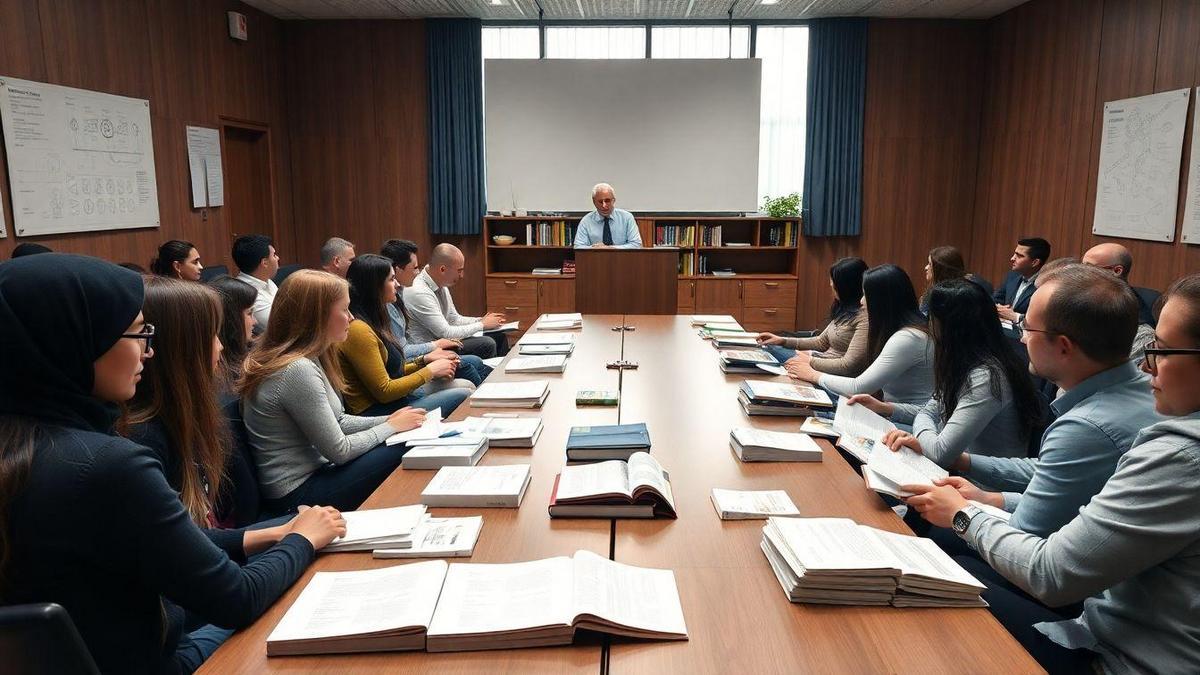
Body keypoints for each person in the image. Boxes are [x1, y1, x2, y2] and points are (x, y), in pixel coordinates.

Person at [0, 254, 344, 674]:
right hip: (163, 661)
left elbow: (152, 541)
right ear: (74, 341)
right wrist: (302, 540)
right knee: (297, 597)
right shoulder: (109, 464)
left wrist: (262, 537)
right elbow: (235, 599)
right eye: (137, 333)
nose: (148, 351)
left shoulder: (29, 450)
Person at [901, 273, 1200, 675]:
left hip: (1121, 655)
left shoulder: (1175, 453)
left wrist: (961, 514)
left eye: (1162, 350)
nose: (1148, 366)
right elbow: (1080, 495)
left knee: (943, 576)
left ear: (1063, 346)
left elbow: (1049, 572)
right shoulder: (1147, 406)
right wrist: (986, 493)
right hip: (1121, 615)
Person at [922, 264, 1162, 541]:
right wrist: (981, 483)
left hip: (1054, 566)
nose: (1021, 338)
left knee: (932, 535)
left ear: (1063, 346)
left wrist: (959, 514)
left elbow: (1025, 537)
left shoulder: (1086, 426)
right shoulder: (1136, 386)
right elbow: (1051, 469)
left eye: (1027, 328)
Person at [239, 269, 426, 515]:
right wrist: (391, 427)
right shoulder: (296, 369)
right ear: (317, 316)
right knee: (407, 444)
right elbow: (340, 450)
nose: (351, 318)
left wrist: (390, 420)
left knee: (410, 433)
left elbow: (337, 421)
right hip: (297, 494)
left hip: (318, 473)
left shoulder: (310, 356)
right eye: (344, 310)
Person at [852, 279, 1042, 468]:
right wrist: (885, 408)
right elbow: (930, 411)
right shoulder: (967, 363)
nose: (928, 326)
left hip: (976, 487)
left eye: (931, 319)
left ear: (947, 327)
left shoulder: (987, 376)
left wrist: (920, 433)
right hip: (953, 471)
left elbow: (939, 452)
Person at [339, 254, 473, 416]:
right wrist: (429, 371)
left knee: (466, 384)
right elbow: (384, 390)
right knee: (466, 393)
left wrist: (422, 361)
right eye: (391, 279)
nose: (397, 284)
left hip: (396, 400)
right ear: (374, 287)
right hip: (379, 411)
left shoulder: (375, 319)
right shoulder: (359, 330)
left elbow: (391, 371)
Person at [786, 264, 933, 408]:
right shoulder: (904, 331)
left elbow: (858, 387)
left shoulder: (908, 338)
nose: (861, 301)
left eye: (865, 295)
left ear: (882, 301)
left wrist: (812, 374)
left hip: (905, 422)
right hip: (891, 411)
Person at [380, 239, 491, 385]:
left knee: (477, 359)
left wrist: (481, 322)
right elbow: (402, 353)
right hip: (419, 357)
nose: (417, 272)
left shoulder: (399, 295)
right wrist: (434, 347)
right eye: (414, 268)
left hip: (424, 353)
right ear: (397, 270)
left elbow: (453, 318)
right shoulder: (401, 299)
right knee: (473, 361)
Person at [757, 257, 871, 377]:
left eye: (834, 285)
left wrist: (809, 361)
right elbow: (821, 342)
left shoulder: (864, 318)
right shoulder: (845, 308)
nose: (831, 286)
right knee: (769, 347)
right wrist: (782, 340)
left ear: (847, 287)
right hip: (818, 361)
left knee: (768, 352)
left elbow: (848, 366)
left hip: (827, 371)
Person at [404, 243, 508, 359]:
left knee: (499, 336)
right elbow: (446, 333)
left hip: (445, 341)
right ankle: (488, 375)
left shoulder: (440, 282)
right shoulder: (419, 291)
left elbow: (453, 319)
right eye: (459, 270)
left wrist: (481, 320)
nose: (462, 275)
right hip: (431, 349)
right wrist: (482, 325)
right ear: (442, 269)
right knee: (487, 343)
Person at [1082, 241, 1160, 327]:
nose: (1081, 273)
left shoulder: (1153, 304)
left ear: (1117, 271)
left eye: (1089, 268)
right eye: (1081, 267)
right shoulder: (1075, 299)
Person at [207, 274, 258, 391]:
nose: (255, 321)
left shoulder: (250, 351)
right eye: (249, 313)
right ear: (231, 319)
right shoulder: (224, 380)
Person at [994, 237, 1050, 324]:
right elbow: (995, 299)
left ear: (1035, 262)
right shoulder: (1012, 275)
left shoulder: (1046, 286)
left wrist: (1016, 317)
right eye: (1014, 254)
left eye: (1019, 256)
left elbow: (1043, 320)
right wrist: (997, 308)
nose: (1012, 258)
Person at [921, 246, 993, 313]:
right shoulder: (940, 288)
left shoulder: (963, 292)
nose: (926, 268)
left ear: (942, 269)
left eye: (930, 264)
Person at [573, 182, 643, 248]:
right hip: (595, 259)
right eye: (600, 202)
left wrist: (611, 248)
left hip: (622, 259)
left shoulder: (627, 218)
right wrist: (595, 248)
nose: (604, 205)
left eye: (607, 201)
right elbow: (578, 246)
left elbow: (636, 244)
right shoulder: (586, 221)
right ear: (594, 202)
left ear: (614, 200)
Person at [232, 234, 280, 330]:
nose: (277, 258)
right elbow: (282, 325)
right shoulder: (248, 294)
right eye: (274, 255)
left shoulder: (265, 279)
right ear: (264, 263)